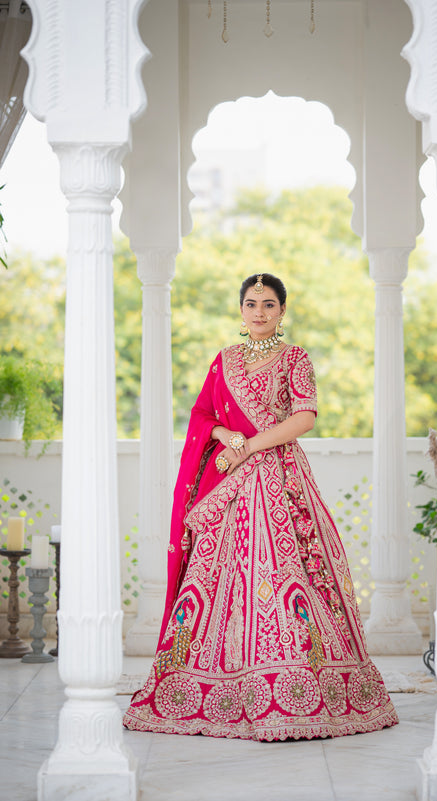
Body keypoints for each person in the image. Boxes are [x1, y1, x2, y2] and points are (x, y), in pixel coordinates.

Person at [123, 273, 398, 740]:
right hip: (229, 480)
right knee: (217, 575)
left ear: (282, 311)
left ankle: (297, 686)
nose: (259, 311)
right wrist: (224, 436)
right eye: (251, 303)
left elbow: (305, 417)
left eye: (268, 304)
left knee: (288, 571)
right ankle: (210, 684)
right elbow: (202, 415)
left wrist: (248, 446)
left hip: (280, 478)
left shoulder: (295, 358)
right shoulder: (223, 360)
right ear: (241, 309)